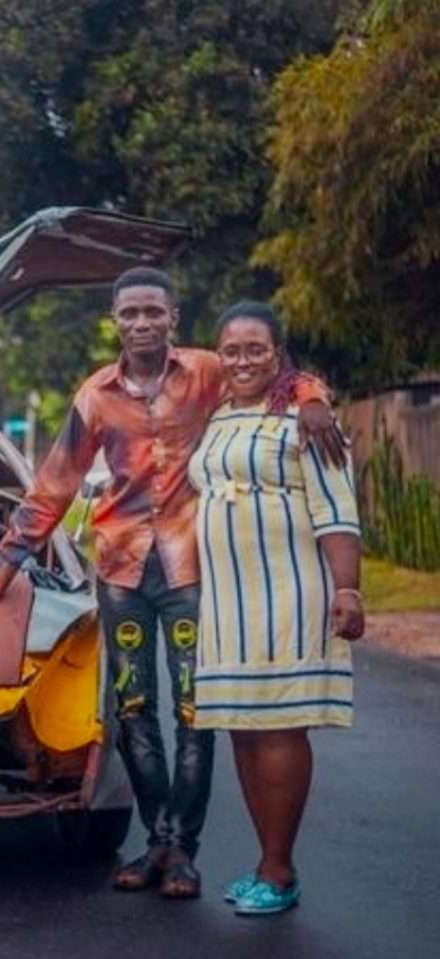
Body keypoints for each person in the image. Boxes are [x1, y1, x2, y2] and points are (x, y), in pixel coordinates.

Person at [0, 267, 345, 899]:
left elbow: (273, 371)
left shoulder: (207, 372)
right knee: (134, 712)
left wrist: (313, 399)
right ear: (116, 320)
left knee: (196, 712)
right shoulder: (95, 396)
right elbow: (55, 481)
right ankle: (157, 841)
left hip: (194, 568)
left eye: (153, 312)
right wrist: (8, 557)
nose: (142, 323)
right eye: (130, 313)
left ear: (173, 318)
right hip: (121, 570)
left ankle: (183, 852)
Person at [189, 300, 362, 916]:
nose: (242, 360)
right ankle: (266, 863)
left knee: (281, 726)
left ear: (277, 353)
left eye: (255, 349)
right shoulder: (214, 415)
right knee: (242, 726)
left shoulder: (306, 419)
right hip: (227, 603)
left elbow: (337, 511)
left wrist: (347, 589)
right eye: (231, 350)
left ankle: (279, 868)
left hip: (289, 594)